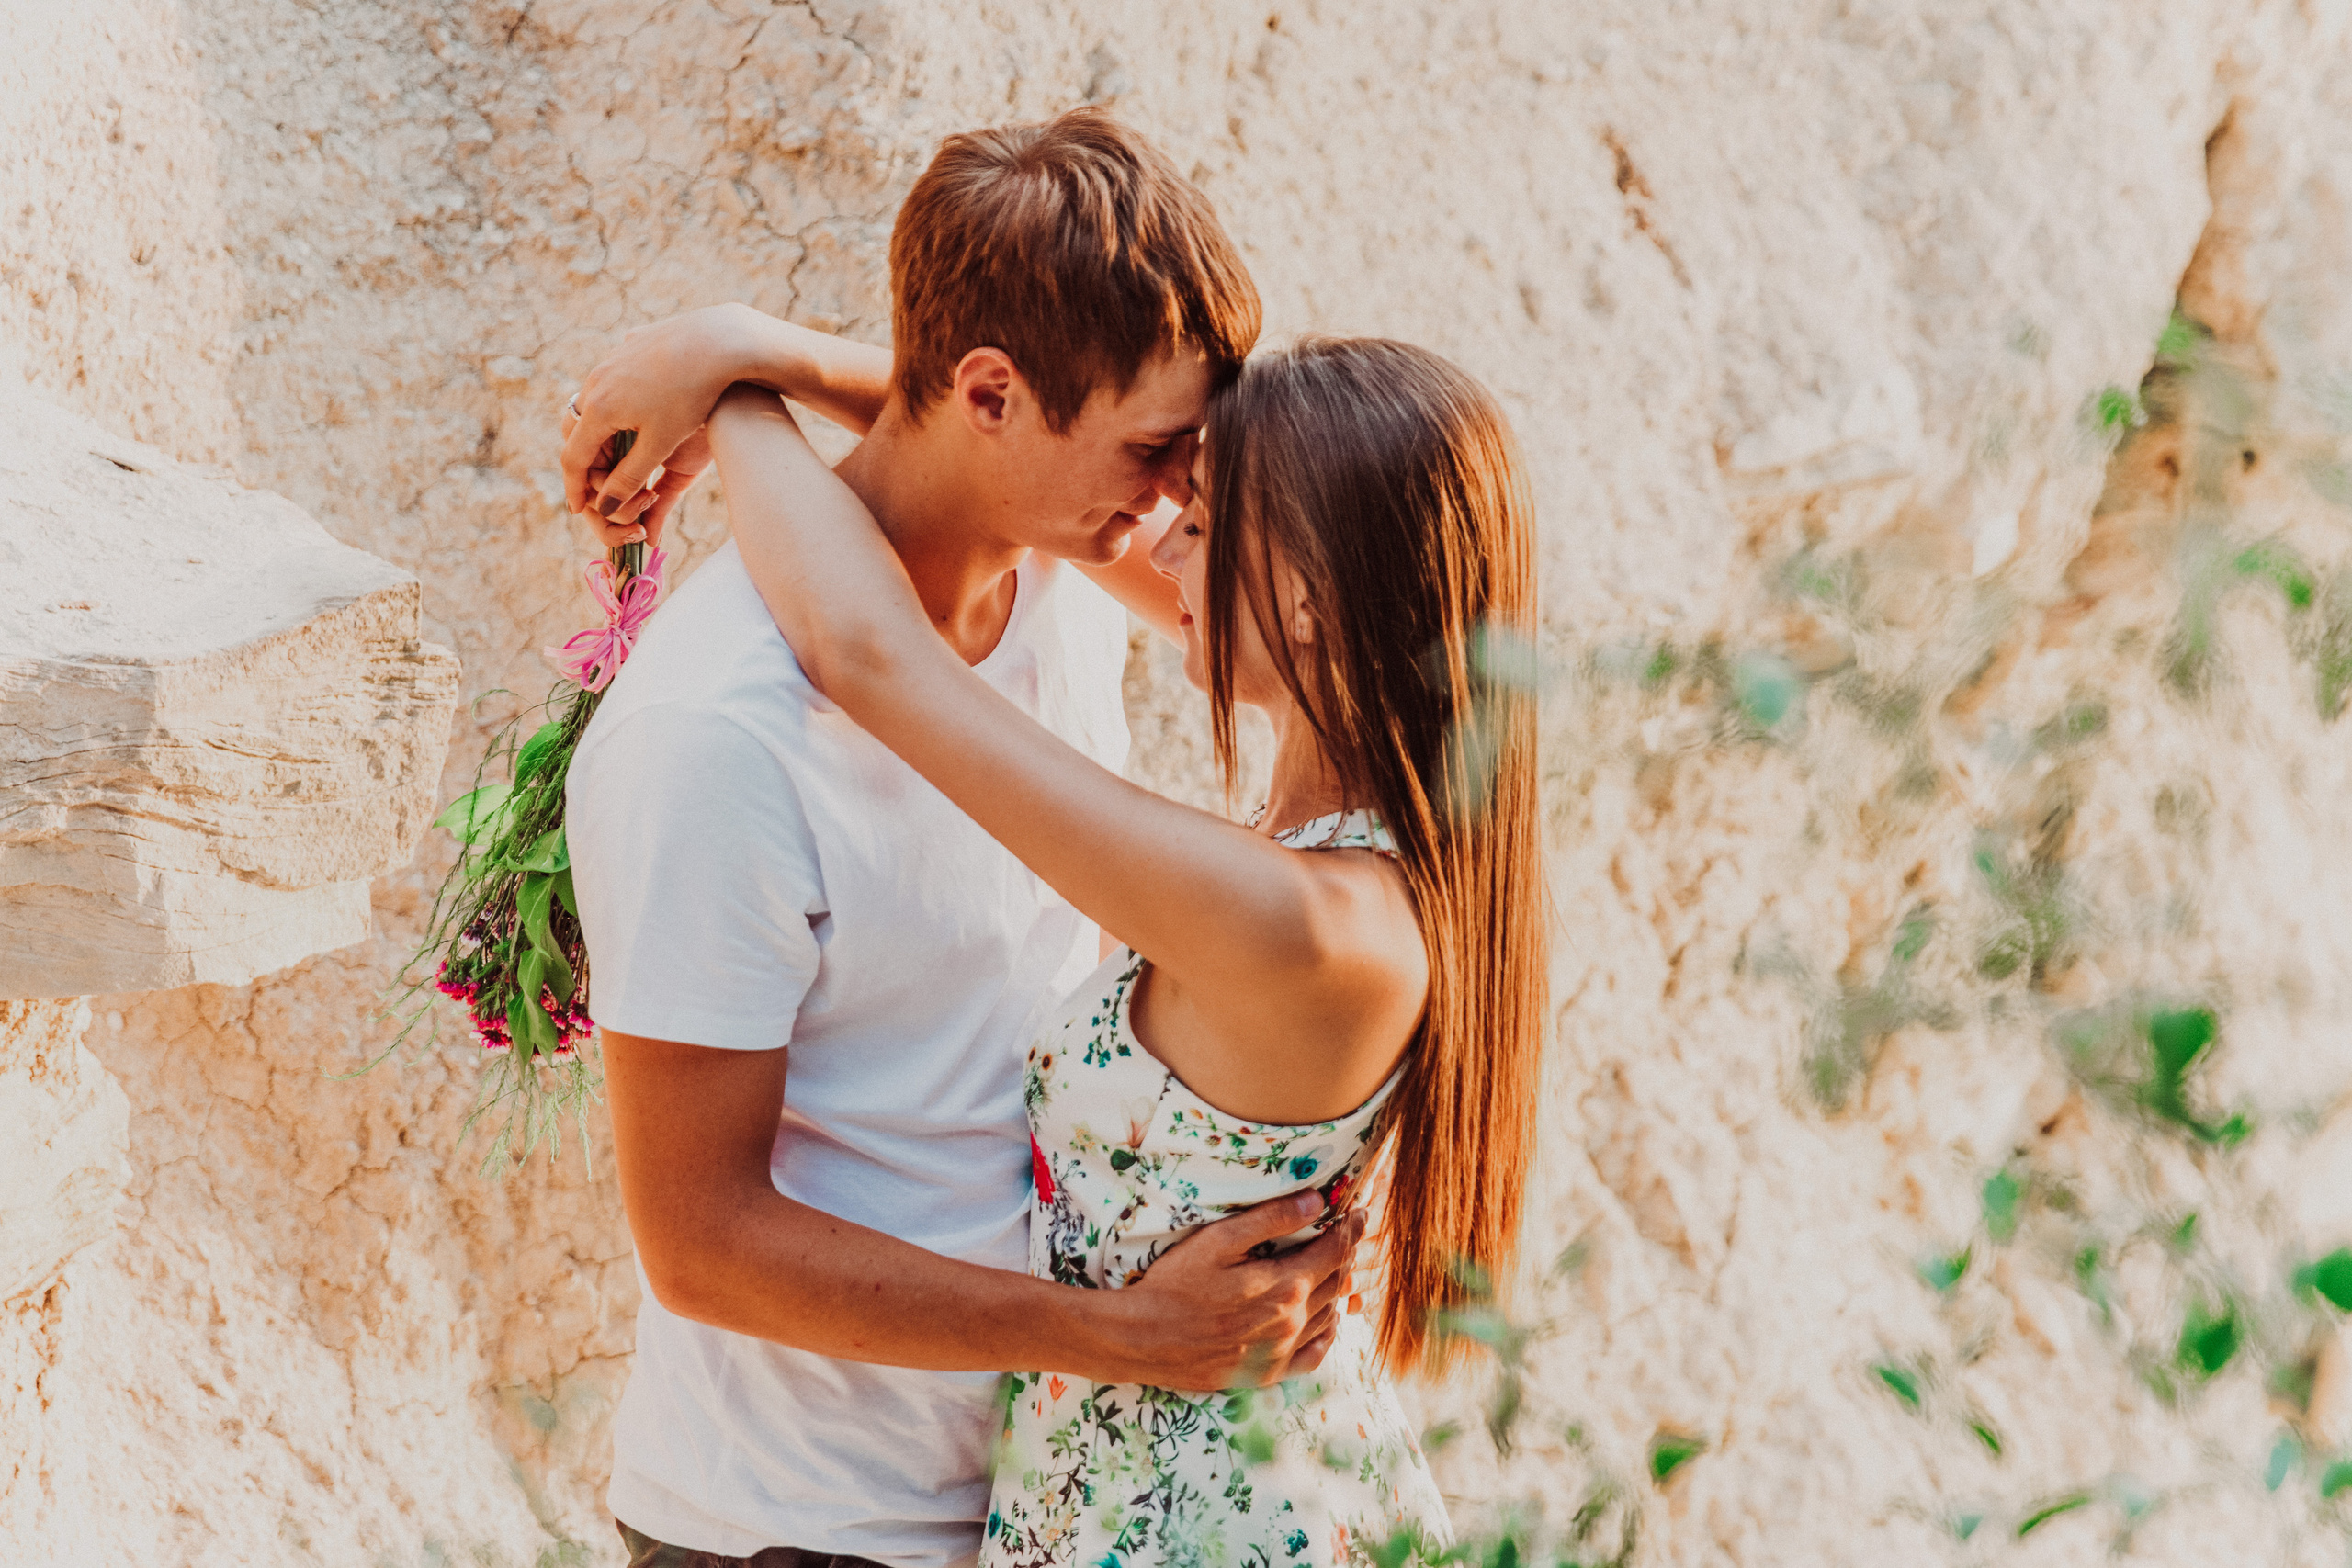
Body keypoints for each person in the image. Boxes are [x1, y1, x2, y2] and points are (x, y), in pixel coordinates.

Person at [561, 110, 1374, 1568]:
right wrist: (1122, 1336)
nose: (1186, 499)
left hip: (1040, 1497)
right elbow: (700, 1244)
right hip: (806, 1526)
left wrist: (752, 356)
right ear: (991, 391)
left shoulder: (1070, 567)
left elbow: (980, 455)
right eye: (1159, 448)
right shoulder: (713, 737)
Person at [670, 332, 1548, 1568]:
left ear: (1304, 600)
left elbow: (869, 656)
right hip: (1182, 1487)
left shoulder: (1296, 922)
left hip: (1207, 1522)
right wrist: (783, 356)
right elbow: (1038, 479)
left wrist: (727, 393)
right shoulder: (1367, 849)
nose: (1157, 537)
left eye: (1201, 518)